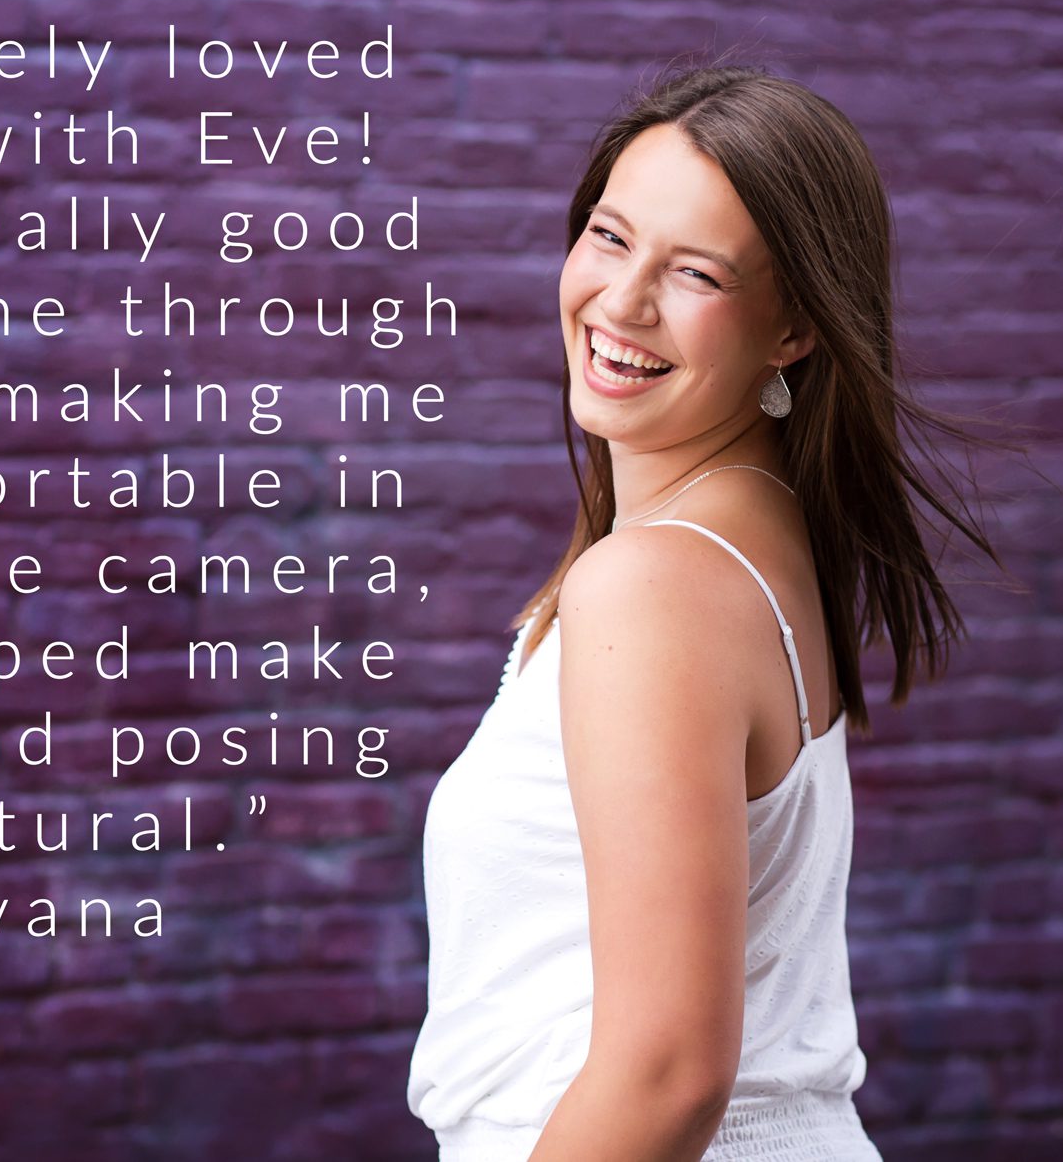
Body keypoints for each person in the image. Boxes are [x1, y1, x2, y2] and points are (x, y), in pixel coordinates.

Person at [406, 63, 1014, 1160]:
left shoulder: (655, 582)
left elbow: (668, 1075)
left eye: (694, 272)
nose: (621, 302)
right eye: (608, 236)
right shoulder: (746, 534)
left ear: (793, 330)